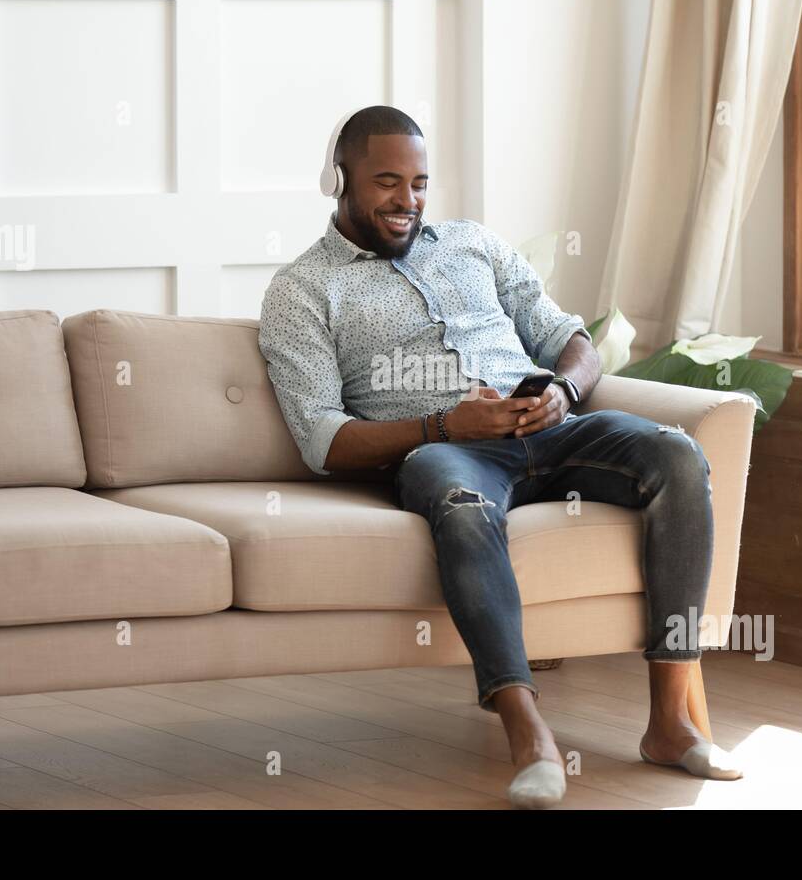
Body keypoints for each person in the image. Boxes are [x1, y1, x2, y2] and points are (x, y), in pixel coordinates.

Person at [258, 105, 742, 809]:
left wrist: (564, 392)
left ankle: (671, 721)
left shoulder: (474, 246)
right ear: (340, 179)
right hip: (449, 453)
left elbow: (568, 338)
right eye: (387, 182)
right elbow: (323, 440)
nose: (408, 201)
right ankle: (529, 735)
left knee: (678, 456)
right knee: (456, 501)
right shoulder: (303, 291)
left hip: (546, 430)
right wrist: (445, 424)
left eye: (420, 183)